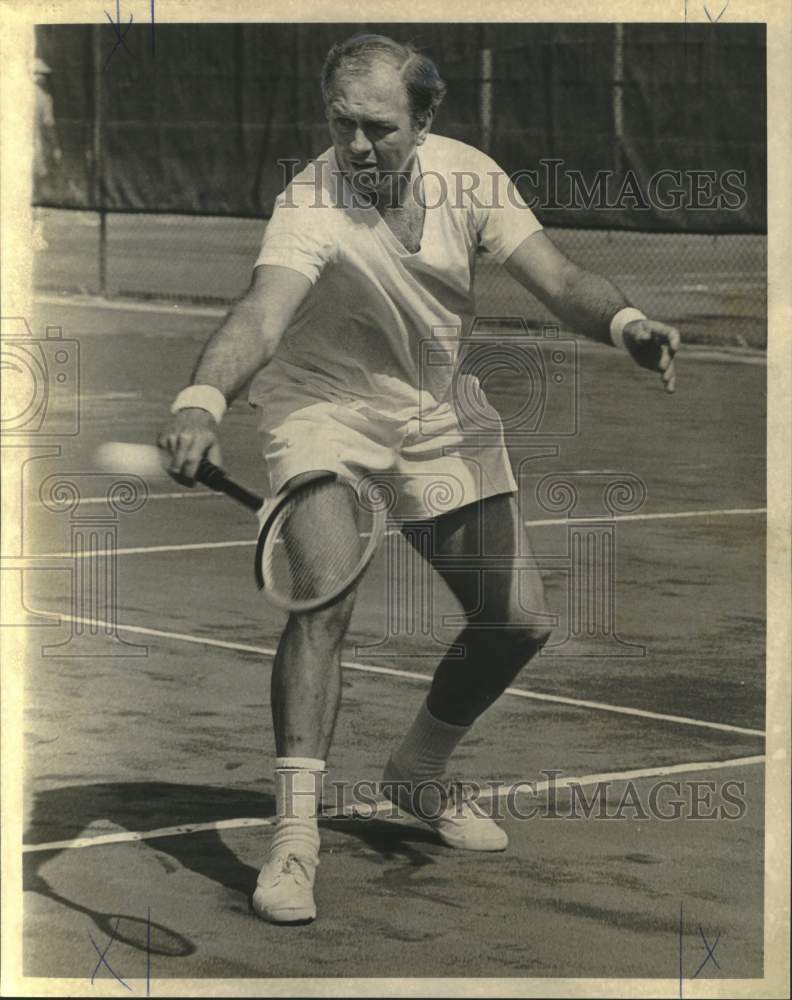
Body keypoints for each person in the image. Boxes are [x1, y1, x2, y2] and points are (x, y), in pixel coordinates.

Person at [158, 34, 680, 924]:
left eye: (378, 127)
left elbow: (556, 277)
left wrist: (627, 323)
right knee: (321, 594)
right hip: (322, 408)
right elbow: (262, 312)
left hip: (437, 410)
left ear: (426, 118)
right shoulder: (309, 203)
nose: (357, 146)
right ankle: (294, 838)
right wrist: (204, 397)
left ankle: (417, 775)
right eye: (342, 124)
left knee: (515, 621)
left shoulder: (470, 179)